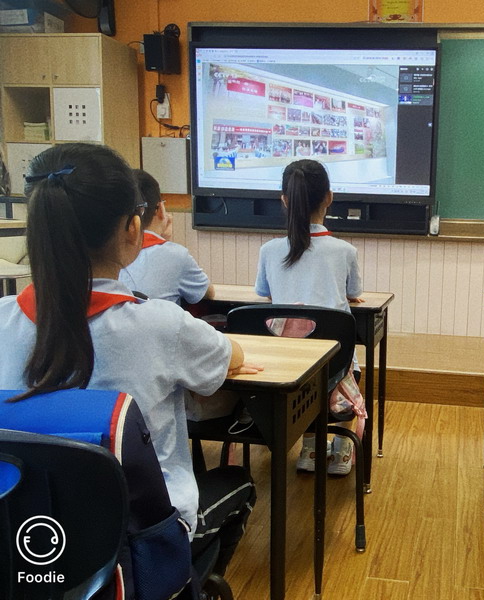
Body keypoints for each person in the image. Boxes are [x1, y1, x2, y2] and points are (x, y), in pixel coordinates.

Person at [0, 143, 260, 576]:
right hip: (140, 541)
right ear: (133, 227)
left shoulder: (3, 319)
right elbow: (232, 354)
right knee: (239, 484)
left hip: (25, 537)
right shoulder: (160, 323)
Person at [254, 159, 364, 475]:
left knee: (305, 363)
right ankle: (342, 450)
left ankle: (311, 449)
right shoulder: (345, 251)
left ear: (284, 200)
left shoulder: (269, 250)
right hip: (334, 365)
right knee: (349, 362)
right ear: (329, 198)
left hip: (286, 365)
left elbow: (266, 294)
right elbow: (354, 291)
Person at [119, 169, 214, 304]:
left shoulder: (106, 253)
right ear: (160, 209)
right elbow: (207, 293)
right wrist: (165, 243)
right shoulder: (176, 256)